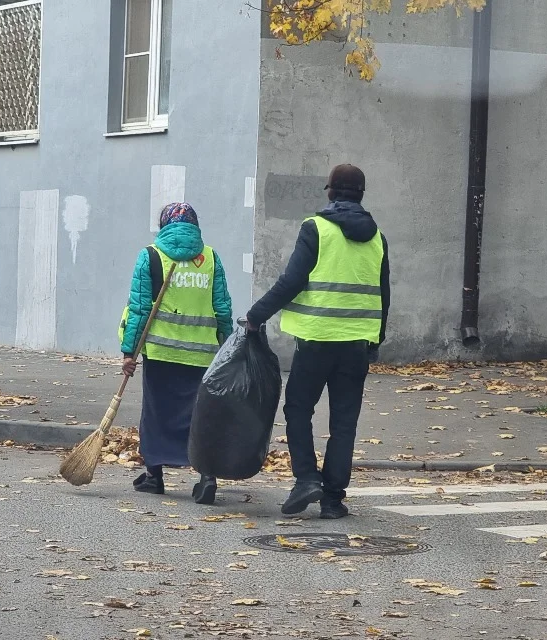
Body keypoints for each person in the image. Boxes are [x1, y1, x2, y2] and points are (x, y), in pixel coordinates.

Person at [246, 164, 390, 519]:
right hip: (356, 344)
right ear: (361, 194)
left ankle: (306, 479)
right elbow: (384, 294)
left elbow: (291, 281)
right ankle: (333, 499)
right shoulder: (377, 238)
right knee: (344, 422)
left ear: (330, 191)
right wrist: (375, 339)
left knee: (298, 409)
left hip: (315, 342)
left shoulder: (316, 229)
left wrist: (255, 316)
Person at [120, 202, 233, 504]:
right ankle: (206, 475)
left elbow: (140, 309)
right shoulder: (210, 258)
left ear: (163, 225)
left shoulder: (150, 256)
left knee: (156, 414)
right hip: (201, 355)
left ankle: (154, 476)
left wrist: (129, 351)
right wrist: (228, 344)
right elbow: (222, 307)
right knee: (198, 417)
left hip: (161, 354)